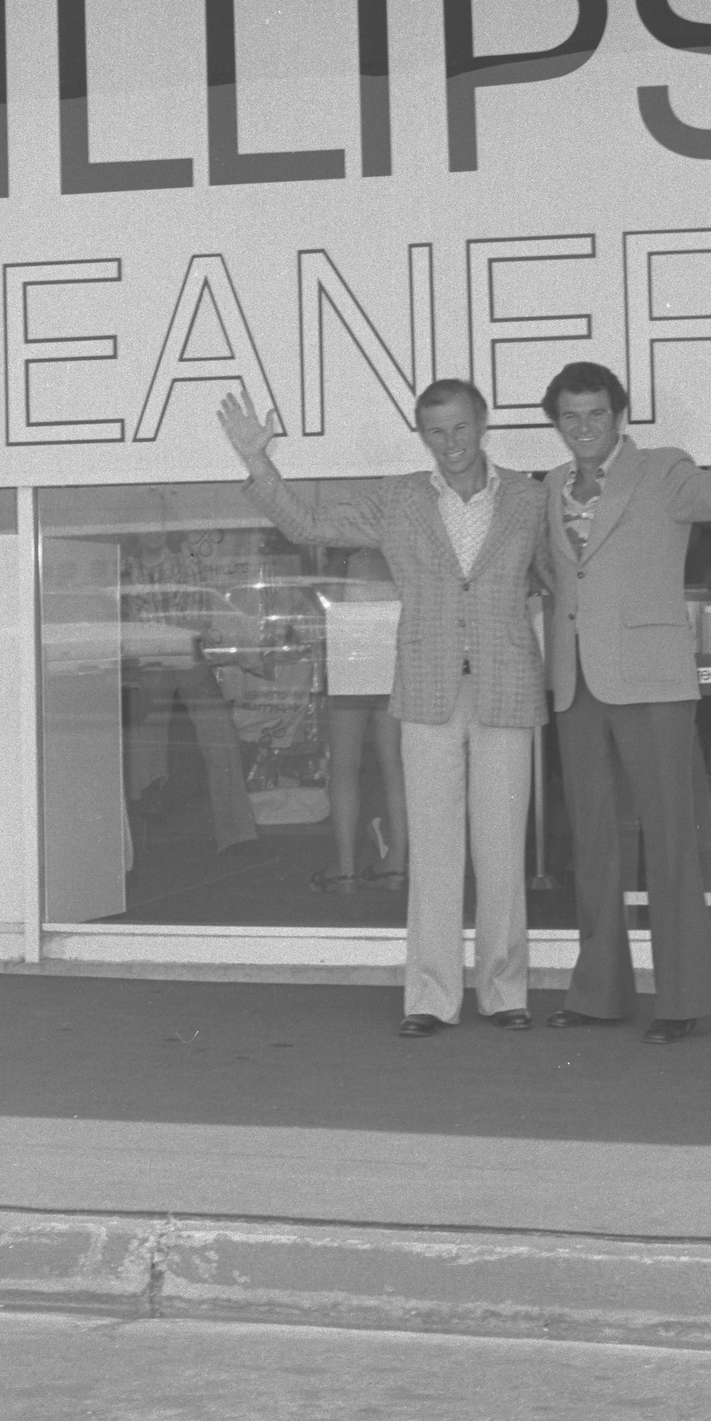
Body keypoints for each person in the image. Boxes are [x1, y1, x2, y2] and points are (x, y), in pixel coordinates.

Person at [220, 378, 549, 1036]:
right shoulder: (400, 500)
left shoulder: (529, 497)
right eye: (435, 431)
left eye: (459, 428)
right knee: (430, 848)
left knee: (502, 848)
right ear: (421, 435)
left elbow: (554, 577)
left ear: (481, 425)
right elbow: (306, 524)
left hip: (505, 688)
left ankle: (504, 990)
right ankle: (429, 998)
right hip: (426, 687)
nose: (449, 444)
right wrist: (257, 462)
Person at [538, 357, 711, 1047]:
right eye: (569, 417)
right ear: (556, 424)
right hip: (576, 682)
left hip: (650, 680)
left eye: (595, 414)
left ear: (618, 417)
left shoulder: (663, 469)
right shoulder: (551, 485)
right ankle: (598, 993)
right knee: (590, 842)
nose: (583, 427)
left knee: (669, 840)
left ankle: (681, 999)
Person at [314, 549, 408, 897]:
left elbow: (327, 603)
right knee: (395, 767)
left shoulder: (343, 558)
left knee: (343, 766)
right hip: (393, 660)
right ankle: (397, 864)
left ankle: (346, 870)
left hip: (348, 658)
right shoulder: (397, 549)